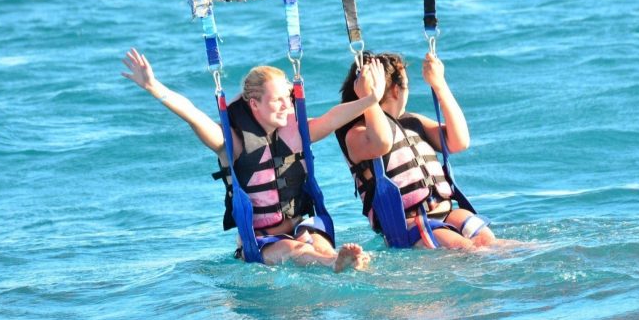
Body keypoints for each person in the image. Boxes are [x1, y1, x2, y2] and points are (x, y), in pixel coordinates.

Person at [122, 47, 387, 272]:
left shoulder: (298, 132)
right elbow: (193, 115)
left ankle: (336, 258)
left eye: (288, 98)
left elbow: (332, 118)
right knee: (291, 249)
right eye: (277, 101)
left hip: (299, 225)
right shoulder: (232, 144)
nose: (286, 105)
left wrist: (371, 98)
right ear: (255, 105)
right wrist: (153, 87)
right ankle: (335, 263)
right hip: (260, 243)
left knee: (315, 241)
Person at [335, 50, 517, 251]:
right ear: (397, 90)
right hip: (411, 225)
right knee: (471, 250)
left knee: (490, 242)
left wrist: (440, 85)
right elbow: (382, 143)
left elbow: (459, 141)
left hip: (448, 212)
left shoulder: (413, 122)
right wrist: (369, 98)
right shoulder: (356, 133)